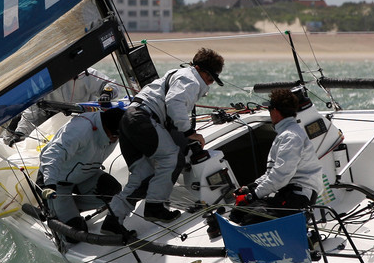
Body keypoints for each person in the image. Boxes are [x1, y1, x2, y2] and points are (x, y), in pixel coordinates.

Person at [103, 47, 223, 234]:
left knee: (142, 174)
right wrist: (190, 132)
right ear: (199, 69)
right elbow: (174, 102)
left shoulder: (179, 74)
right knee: (172, 158)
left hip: (129, 119)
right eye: (210, 77)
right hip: (143, 119)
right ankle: (155, 207)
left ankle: (112, 221)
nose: (211, 82)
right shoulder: (190, 79)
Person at [232, 87, 325, 223]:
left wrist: (252, 197)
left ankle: (309, 236)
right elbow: (273, 174)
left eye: (269, 110)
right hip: (288, 195)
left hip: (298, 199)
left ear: (275, 111)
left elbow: (281, 176)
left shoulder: (291, 137)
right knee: (238, 213)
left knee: (249, 218)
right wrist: (250, 187)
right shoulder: (286, 134)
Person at [36, 105, 125, 232]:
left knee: (112, 190)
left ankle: (69, 207)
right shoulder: (80, 130)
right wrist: (50, 183)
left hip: (83, 177)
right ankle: (56, 209)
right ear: (105, 127)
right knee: (75, 232)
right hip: (55, 183)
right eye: (116, 135)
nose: (116, 139)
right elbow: (51, 155)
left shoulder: (114, 130)